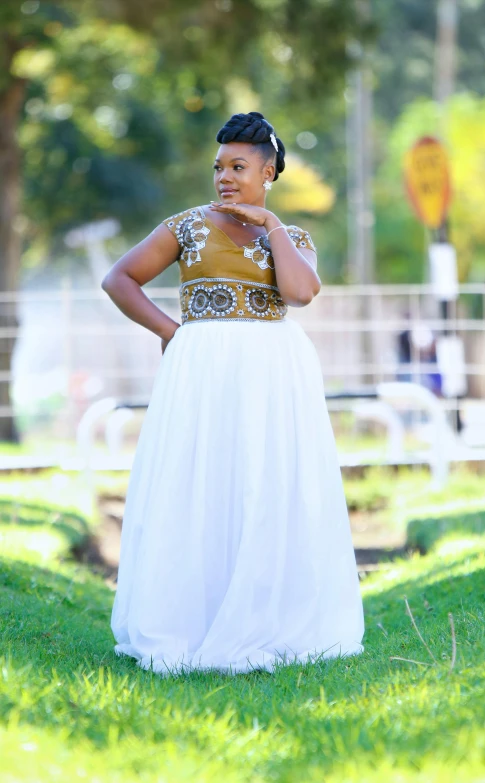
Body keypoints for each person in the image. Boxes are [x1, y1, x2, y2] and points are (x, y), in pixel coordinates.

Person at [102, 111, 364, 676]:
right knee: (201, 481)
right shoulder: (185, 227)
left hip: (274, 373)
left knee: (266, 482)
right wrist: (171, 332)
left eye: (239, 166)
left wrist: (269, 225)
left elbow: (299, 294)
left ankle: (268, 614)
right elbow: (119, 279)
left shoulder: (291, 237)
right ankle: (192, 620)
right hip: (201, 372)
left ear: (268, 172)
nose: (224, 176)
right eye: (219, 166)